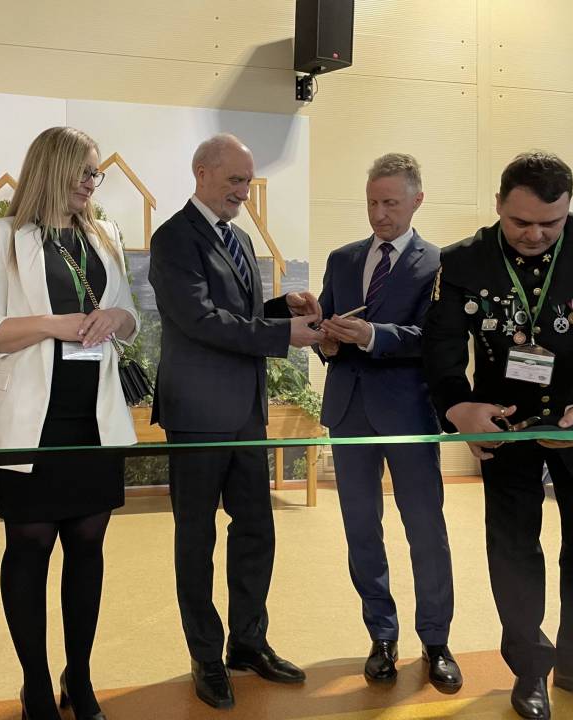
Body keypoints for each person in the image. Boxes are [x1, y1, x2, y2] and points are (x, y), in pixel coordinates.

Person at [423, 151, 573, 719]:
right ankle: (529, 671)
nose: (535, 234)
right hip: (505, 426)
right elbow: (441, 347)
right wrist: (458, 408)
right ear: (498, 203)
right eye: (520, 221)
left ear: (569, 208)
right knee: (514, 551)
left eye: (551, 222)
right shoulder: (462, 261)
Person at [0, 126, 138, 720]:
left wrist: (116, 318)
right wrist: (53, 324)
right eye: (85, 171)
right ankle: (35, 684)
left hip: (96, 417)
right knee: (30, 544)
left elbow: (130, 319)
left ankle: (78, 677)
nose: (93, 182)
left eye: (97, 173)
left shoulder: (107, 234)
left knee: (88, 544)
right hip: (32, 420)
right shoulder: (2, 236)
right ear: (54, 168)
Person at [148, 133, 323, 710]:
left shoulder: (240, 239)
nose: (244, 192)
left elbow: (237, 315)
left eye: (248, 182)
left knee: (256, 530)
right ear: (201, 172)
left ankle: (248, 642)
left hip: (247, 411)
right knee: (195, 538)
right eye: (235, 181)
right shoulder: (173, 239)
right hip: (197, 415)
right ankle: (205, 654)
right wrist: (282, 334)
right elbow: (200, 320)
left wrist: (279, 309)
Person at [315, 153, 461, 692]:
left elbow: (437, 340)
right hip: (348, 410)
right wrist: (327, 341)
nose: (379, 214)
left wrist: (374, 336)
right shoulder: (342, 259)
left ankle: (436, 640)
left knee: (425, 528)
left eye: (391, 203)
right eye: (372, 202)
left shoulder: (441, 264)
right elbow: (326, 329)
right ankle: (381, 635)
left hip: (408, 412)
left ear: (417, 200)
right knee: (361, 530)